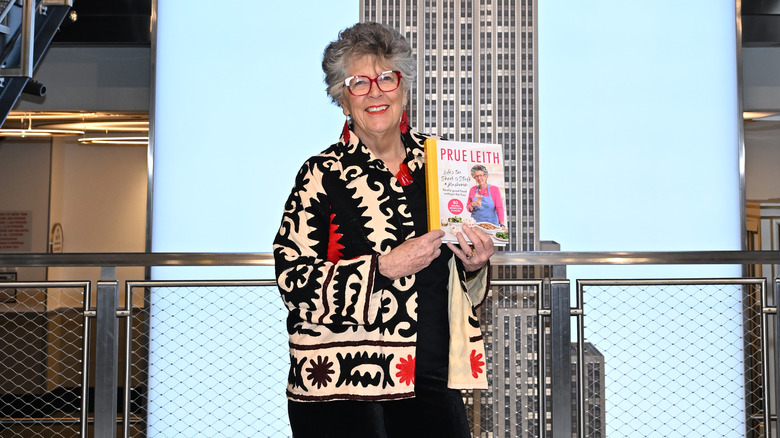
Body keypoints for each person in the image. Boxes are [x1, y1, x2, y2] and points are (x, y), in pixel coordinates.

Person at [273, 22, 496, 438]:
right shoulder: (320, 174)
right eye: (358, 83)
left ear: (404, 88)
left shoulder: (445, 166)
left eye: (386, 78)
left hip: (431, 377)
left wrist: (474, 264)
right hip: (339, 386)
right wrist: (383, 268)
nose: (375, 92)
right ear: (342, 100)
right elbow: (292, 280)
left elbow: (457, 281)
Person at [466, 164, 506, 228]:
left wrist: (502, 224)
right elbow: (469, 208)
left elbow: (499, 208)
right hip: (475, 225)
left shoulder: (494, 189)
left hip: (491, 225)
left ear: (485, 176)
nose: (479, 178)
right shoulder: (473, 190)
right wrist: (472, 204)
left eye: (481, 175)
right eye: (476, 176)